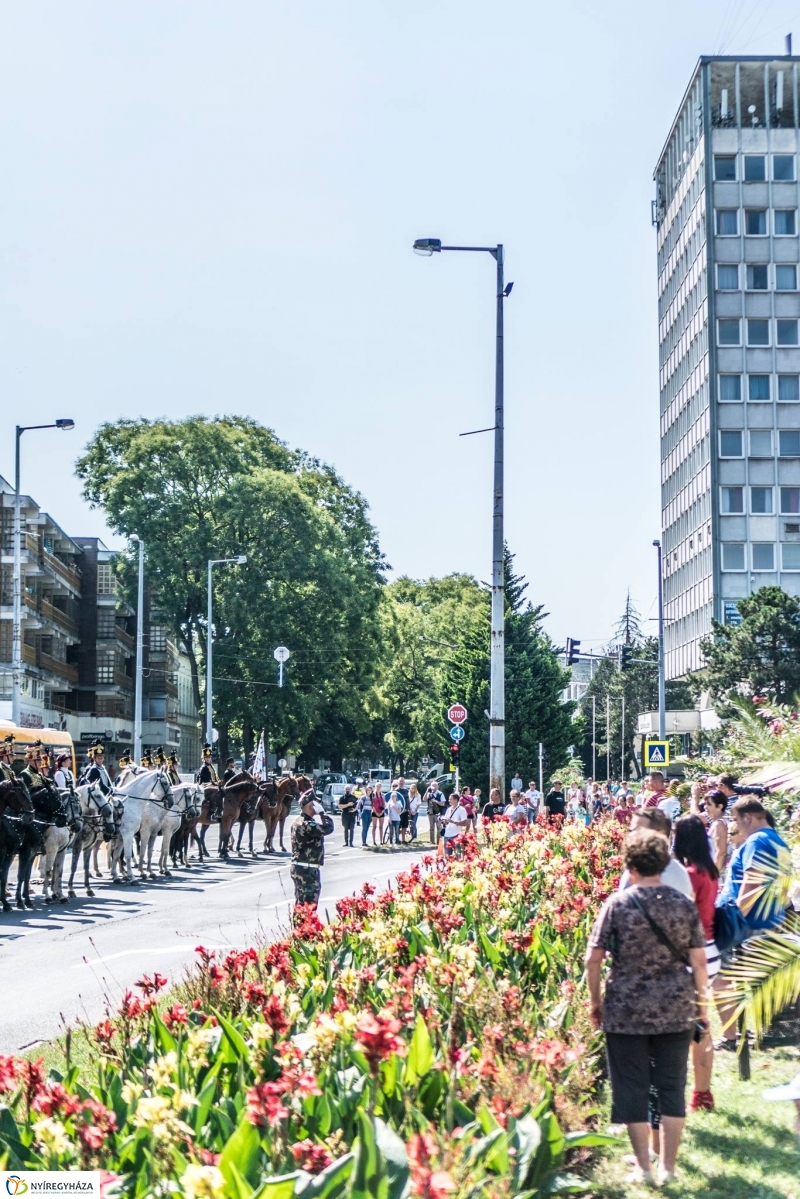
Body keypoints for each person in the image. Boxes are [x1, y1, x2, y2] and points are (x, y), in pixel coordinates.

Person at [586, 828, 709, 1188]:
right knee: (672, 1086)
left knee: (631, 1088)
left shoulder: (617, 904)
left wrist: (596, 1003)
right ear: (664, 862)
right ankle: (669, 1167)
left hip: (626, 1010)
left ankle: (643, 1167)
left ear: (630, 864)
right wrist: (702, 1008)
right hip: (676, 1008)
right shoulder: (682, 904)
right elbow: (699, 963)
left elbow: (592, 959)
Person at [714, 798, 792, 1049]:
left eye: (736, 820)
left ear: (748, 817)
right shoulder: (779, 842)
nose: (736, 826)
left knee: (722, 976)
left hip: (745, 923)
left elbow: (750, 886)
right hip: (769, 919)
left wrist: (734, 916)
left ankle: (730, 1037)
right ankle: (749, 1032)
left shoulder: (758, 841)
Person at [673, 814, 720, 1111]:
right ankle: (703, 1091)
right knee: (701, 1022)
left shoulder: (689, 873)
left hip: (694, 954)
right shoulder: (710, 870)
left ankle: (698, 1094)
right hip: (712, 950)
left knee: (692, 1027)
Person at [619, 809, 694, 899]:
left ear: (659, 834)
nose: (631, 835)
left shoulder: (677, 875)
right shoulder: (633, 870)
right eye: (630, 831)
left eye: (637, 830)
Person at [290, 793, 334, 911]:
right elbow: (328, 828)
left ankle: (299, 928)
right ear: (311, 806)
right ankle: (303, 929)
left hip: (303, 868)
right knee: (308, 906)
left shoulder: (299, 821)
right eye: (316, 803)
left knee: (301, 905)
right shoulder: (306, 823)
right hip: (306, 870)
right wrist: (322, 813)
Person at [704, 790, 729, 874]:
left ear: (720, 806)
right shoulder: (719, 822)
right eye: (705, 804)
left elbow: (721, 852)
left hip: (719, 873)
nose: (705, 807)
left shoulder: (719, 824)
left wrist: (713, 875)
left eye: (709, 804)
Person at [441, 792, 468, 857]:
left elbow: (464, 823)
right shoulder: (448, 809)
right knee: (447, 855)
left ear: (456, 800)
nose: (449, 801)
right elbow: (447, 820)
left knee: (458, 854)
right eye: (449, 799)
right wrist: (444, 821)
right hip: (447, 834)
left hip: (456, 834)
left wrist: (454, 822)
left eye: (451, 799)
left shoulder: (461, 810)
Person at [426, 781, 446, 845]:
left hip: (438, 813)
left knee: (438, 827)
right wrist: (427, 791)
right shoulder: (429, 794)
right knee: (431, 828)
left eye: (435, 786)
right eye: (432, 786)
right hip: (430, 813)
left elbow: (443, 804)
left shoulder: (440, 794)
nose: (434, 787)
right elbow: (424, 799)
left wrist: (436, 801)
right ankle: (432, 841)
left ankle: (439, 841)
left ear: (437, 786)